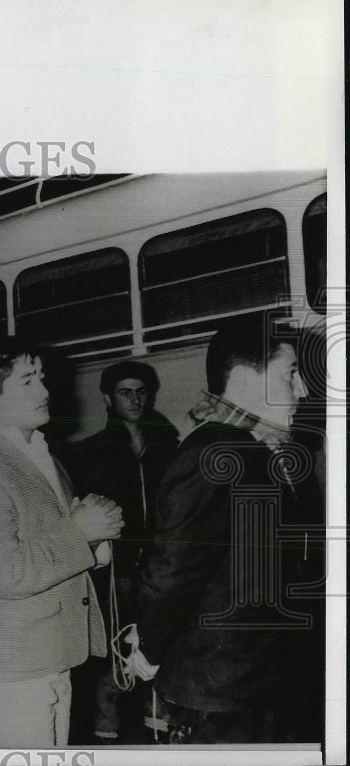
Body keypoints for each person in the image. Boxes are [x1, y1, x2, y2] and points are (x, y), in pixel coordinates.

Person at [129, 315, 318, 743]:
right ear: (247, 378)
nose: (302, 390)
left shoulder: (257, 448)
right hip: (221, 692)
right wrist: (150, 650)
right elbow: (172, 570)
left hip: (257, 677)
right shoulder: (210, 454)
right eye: (290, 374)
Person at [0, 337, 123, 747]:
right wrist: (80, 531)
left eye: (42, 378)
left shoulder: (40, 455)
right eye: (27, 381)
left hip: (48, 657)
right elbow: (8, 574)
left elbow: (47, 542)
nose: (45, 390)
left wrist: (93, 546)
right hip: (10, 666)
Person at [65, 361, 179, 742]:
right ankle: (106, 736)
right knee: (111, 656)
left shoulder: (167, 448)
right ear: (107, 398)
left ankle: (159, 728)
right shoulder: (88, 454)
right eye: (125, 391)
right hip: (115, 573)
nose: (135, 398)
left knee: (160, 647)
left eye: (141, 390)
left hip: (160, 571)